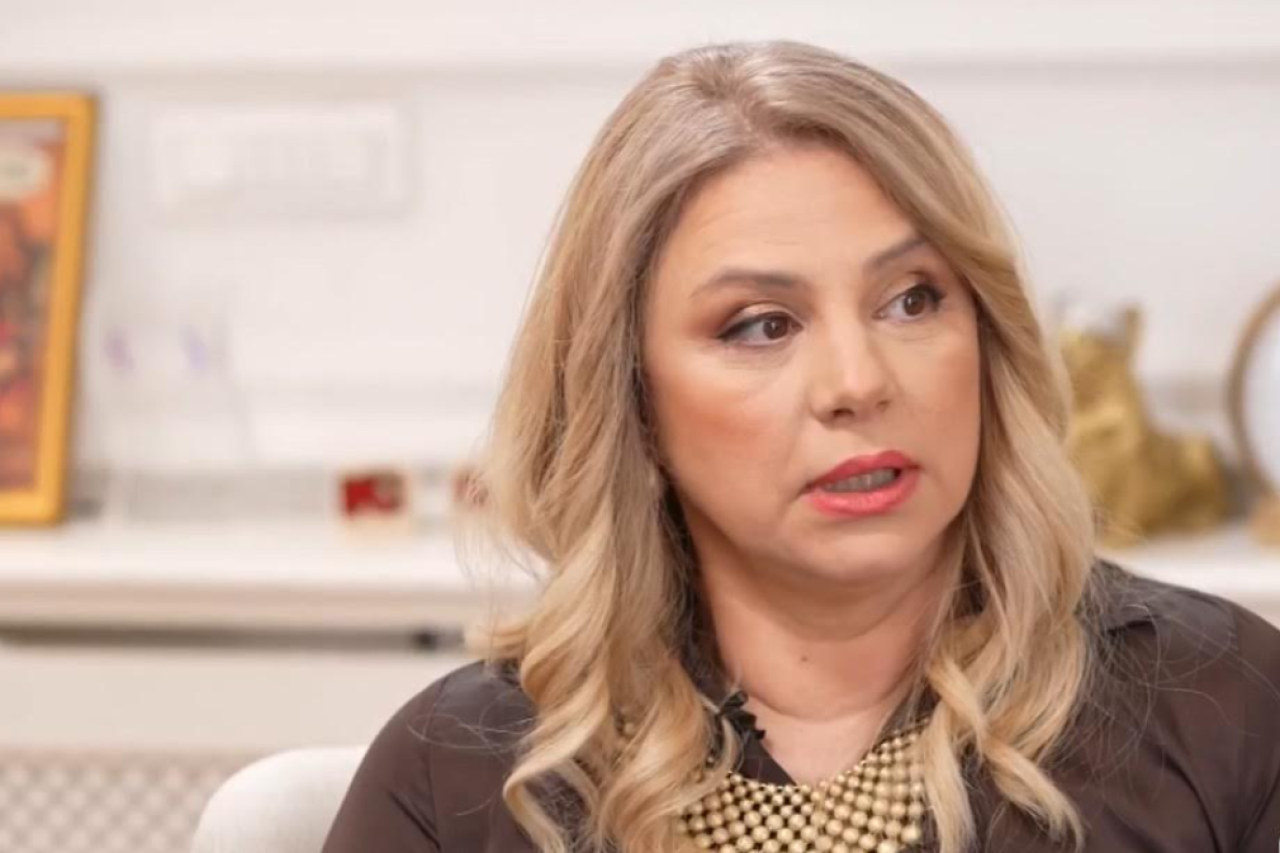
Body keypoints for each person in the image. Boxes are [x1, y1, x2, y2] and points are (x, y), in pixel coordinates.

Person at [320, 40, 1280, 853]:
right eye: (761, 325)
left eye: (912, 300)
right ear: (633, 399)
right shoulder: (456, 780)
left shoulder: (1226, 710)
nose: (857, 381)